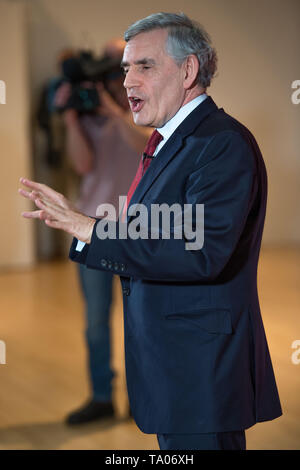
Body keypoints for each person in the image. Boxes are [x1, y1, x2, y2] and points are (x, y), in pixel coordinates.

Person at [19, 12, 282, 450]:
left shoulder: (219, 143)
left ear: (188, 71)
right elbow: (153, 231)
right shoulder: (173, 141)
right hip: (176, 371)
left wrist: (90, 228)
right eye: (125, 69)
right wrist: (87, 226)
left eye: (144, 66)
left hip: (201, 375)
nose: (126, 82)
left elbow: (199, 252)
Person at [53, 39, 151, 424]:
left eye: (118, 64)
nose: (111, 73)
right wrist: (71, 120)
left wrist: (113, 109)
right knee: (95, 319)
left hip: (138, 228)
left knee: (140, 318)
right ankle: (101, 397)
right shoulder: (85, 111)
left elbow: (144, 147)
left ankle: (141, 397)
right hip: (90, 225)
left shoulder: (143, 108)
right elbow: (82, 165)